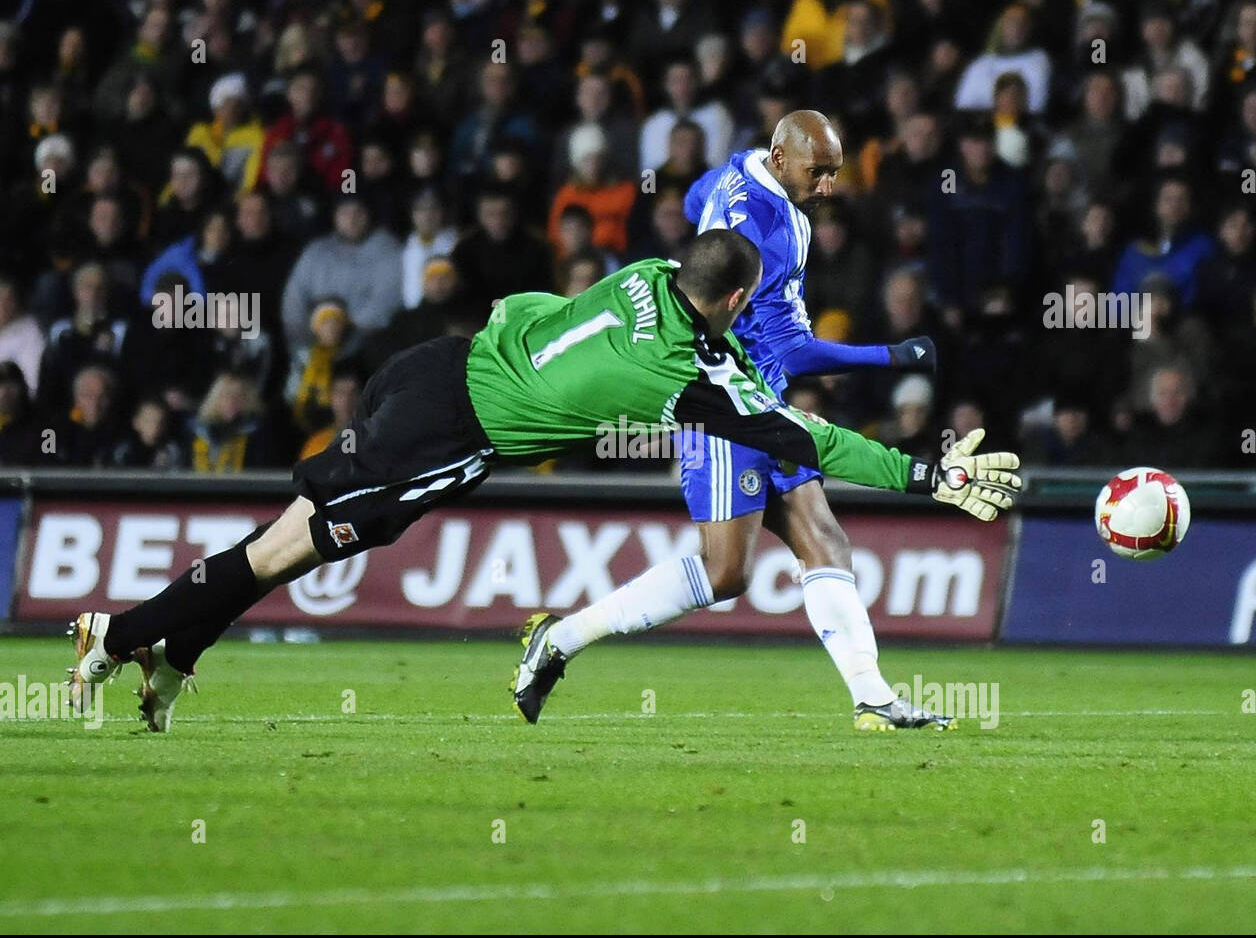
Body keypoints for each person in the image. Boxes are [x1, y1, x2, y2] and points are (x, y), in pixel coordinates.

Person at [65, 230, 1020, 733]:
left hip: (436, 360)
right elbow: (800, 436)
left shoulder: (649, 273)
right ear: (731, 301)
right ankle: (119, 632)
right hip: (446, 431)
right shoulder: (678, 377)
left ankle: (173, 661)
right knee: (282, 550)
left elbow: (530, 303)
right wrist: (923, 471)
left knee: (285, 550)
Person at [518, 111, 947, 735]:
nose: (828, 188)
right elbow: (798, 350)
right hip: (722, 400)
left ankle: (873, 697)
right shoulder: (771, 238)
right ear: (780, 159)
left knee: (823, 539)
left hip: (759, 392)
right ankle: (561, 638)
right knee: (727, 572)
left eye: (835, 173)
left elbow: (695, 198)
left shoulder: (738, 168)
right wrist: (892, 355)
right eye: (817, 172)